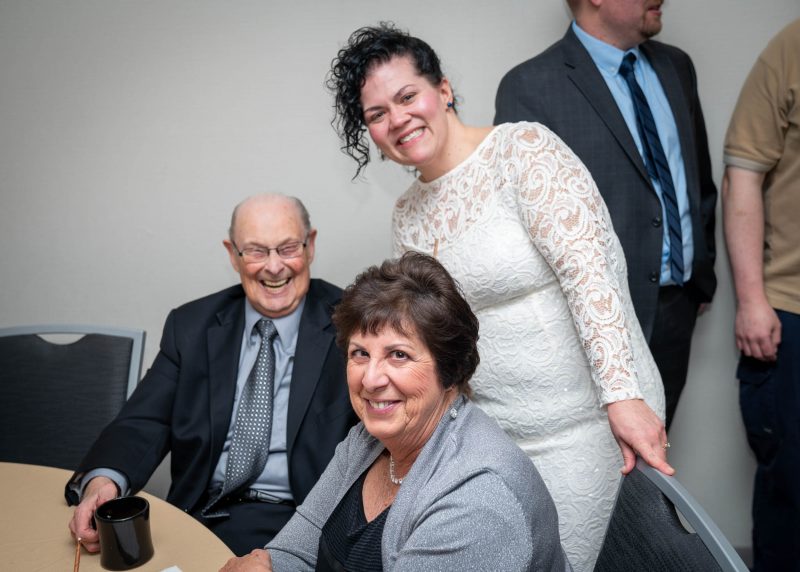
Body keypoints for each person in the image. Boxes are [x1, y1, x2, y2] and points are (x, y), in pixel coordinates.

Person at [327, 23, 671, 571]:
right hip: (490, 439)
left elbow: (592, 275)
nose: (398, 119)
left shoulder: (523, 151)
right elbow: (432, 338)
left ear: (443, 89)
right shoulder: (406, 214)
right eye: (377, 114)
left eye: (408, 96)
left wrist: (623, 397)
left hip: (588, 424)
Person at [220, 252, 570, 572]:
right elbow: (296, 552)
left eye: (398, 355)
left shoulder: (478, 498)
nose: (370, 379)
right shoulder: (366, 441)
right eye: (360, 353)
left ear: (449, 370)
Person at [66, 194, 358, 556]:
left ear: (310, 246)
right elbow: (143, 421)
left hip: (304, 523)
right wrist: (103, 483)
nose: (274, 267)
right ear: (233, 254)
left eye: (287, 249)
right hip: (200, 515)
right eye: (255, 251)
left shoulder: (353, 326)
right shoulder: (191, 326)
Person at [494, 0, 717, 429]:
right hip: (597, 323)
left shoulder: (676, 67)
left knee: (657, 452)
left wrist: (700, 270)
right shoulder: (530, 86)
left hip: (678, 306)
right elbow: (522, 219)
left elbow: (697, 175)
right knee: (609, 460)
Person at [722, 19, 800, 571]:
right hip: (791, 308)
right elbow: (743, 175)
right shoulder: (793, 46)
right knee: (790, 486)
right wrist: (752, 299)